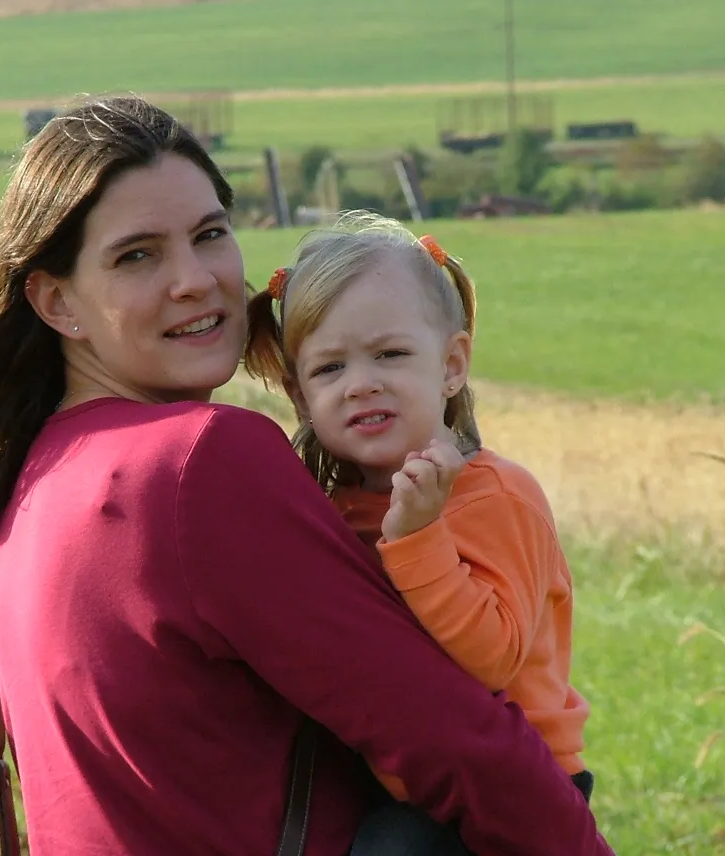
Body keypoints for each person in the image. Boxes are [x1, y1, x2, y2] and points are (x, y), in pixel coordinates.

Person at [0, 96, 612, 856]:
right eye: (137, 255)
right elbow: (455, 740)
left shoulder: (37, 478)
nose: (195, 280)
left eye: (210, 235)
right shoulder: (196, 461)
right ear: (55, 299)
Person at [243, 214, 593, 851]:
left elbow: (493, 657)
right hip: (394, 777)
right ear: (299, 397)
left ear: (452, 365)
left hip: (513, 786)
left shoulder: (495, 497)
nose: (361, 382)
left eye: (391, 354)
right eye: (328, 369)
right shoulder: (328, 508)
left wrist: (416, 540)